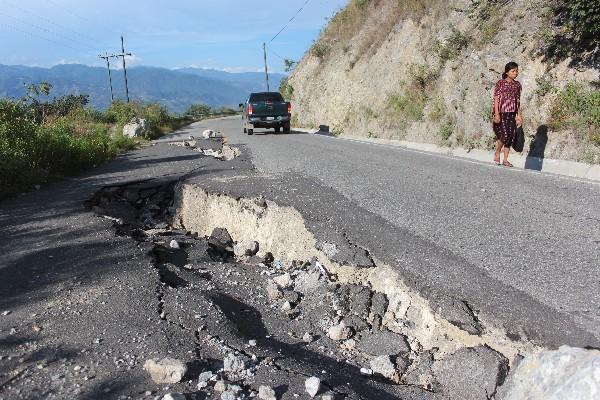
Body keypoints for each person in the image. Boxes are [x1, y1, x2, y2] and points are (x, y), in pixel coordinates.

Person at [492, 61, 522, 167]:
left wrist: (519, 115)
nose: (515, 73)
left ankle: (505, 159)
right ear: (507, 72)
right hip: (502, 112)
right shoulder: (501, 83)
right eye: (513, 71)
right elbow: (496, 98)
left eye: (516, 71)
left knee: (510, 136)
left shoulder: (517, 85)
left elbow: (518, 101)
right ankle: (497, 152)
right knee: (504, 135)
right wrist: (497, 113)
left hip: (512, 113)